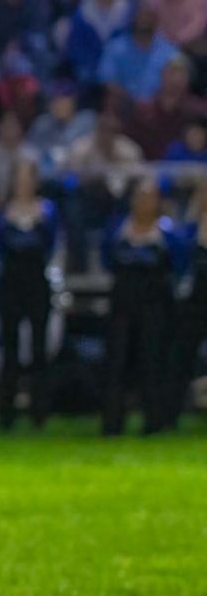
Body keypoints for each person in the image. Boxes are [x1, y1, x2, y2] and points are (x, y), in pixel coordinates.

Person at [101, 178, 186, 436]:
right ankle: (113, 422)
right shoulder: (119, 229)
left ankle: (153, 420)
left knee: (152, 360)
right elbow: (107, 259)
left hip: (154, 306)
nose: (144, 203)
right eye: (139, 197)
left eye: (149, 198)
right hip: (122, 305)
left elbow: (179, 265)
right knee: (117, 363)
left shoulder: (167, 233)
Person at [0, 158, 58, 430]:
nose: (24, 185)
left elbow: (52, 245)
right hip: (11, 284)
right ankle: (7, 412)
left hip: (36, 283)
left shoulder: (47, 212)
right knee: (10, 349)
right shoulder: (2, 214)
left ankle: (39, 410)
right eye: (19, 179)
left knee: (39, 348)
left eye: (28, 179)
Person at [172, 179, 207, 427]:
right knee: (182, 358)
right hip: (193, 304)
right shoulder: (189, 231)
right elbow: (179, 261)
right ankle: (171, 413)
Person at [99, 3, 181, 106]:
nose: (145, 20)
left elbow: (178, 79)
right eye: (141, 16)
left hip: (159, 107)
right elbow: (106, 79)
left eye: (149, 16)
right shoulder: (116, 47)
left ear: (156, 20)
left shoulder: (169, 50)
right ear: (133, 19)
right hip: (124, 105)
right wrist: (130, 102)